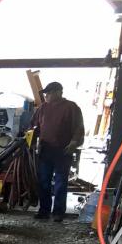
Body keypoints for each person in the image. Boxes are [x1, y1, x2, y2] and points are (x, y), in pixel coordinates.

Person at [30, 81, 84, 222]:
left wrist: (74, 142)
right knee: (44, 181)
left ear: (58, 92)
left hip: (63, 150)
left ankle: (58, 212)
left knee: (60, 182)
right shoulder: (43, 108)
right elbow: (34, 126)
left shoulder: (71, 107)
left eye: (49, 93)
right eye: (46, 93)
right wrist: (29, 137)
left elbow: (79, 127)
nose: (46, 96)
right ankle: (44, 210)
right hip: (45, 149)